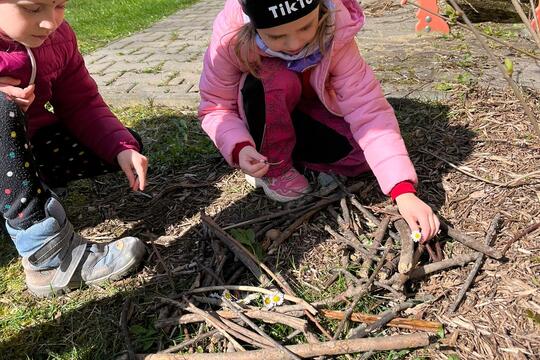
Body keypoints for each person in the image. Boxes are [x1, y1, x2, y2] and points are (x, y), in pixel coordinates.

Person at [198, 0, 441, 241]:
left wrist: (402, 189)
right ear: (253, 25)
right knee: (275, 77)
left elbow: (368, 110)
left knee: (357, 157)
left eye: (305, 27)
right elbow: (215, 106)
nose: (294, 44)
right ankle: (273, 165)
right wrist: (239, 145)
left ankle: (297, 152)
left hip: (310, 107)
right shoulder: (230, 39)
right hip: (263, 108)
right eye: (276, 36)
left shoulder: (336, 30)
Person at [0, 0, 147, 297]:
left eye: (59, 5)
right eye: (32, 8)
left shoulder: (59, 38)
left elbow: (81, 103)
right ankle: (47, 257)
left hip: (30, 150)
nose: (49, 22)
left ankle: (28, 190)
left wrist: (121, 147)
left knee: (116, 146)